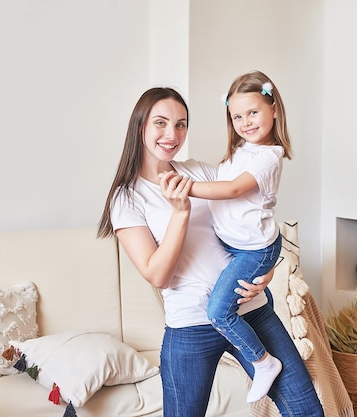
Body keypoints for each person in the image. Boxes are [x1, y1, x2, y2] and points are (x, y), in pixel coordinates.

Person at [97, 84, 323, 417]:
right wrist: (181, 212)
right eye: (160, 122)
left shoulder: (199, 172)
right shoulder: (127, 197)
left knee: (307, 411)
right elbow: (157, 274)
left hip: (250, 310)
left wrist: (266, 268)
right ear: (140, 125)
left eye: (181, 124)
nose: (172, 134)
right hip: (191, 326)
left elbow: (253, 223)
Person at [161, 70, 289, 403]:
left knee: (218, 312)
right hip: (242, 248)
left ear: (273, 109)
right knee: (242, 300)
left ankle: (263, 362)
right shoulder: (242, 152)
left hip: (253, 250)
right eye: (236, 116)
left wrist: (185, 188)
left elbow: (232, 190)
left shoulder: (268, 156)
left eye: (253, 112)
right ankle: (265, 325)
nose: (245, 122)